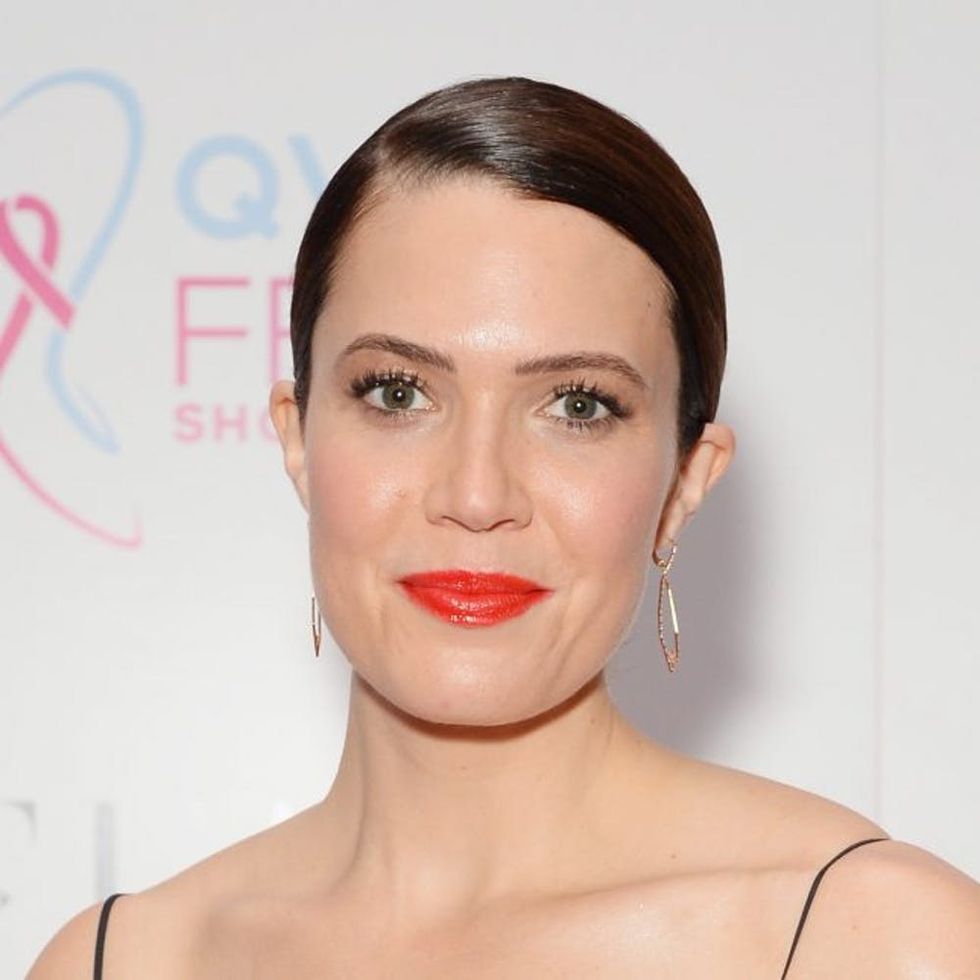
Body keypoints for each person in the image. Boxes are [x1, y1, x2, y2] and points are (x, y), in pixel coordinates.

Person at [29, 75, 980, 979]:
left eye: (577, 406)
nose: (478, 495)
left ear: (685, 483)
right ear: (299, 439)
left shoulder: (875, 944)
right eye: (398, 392)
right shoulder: (123, 962)